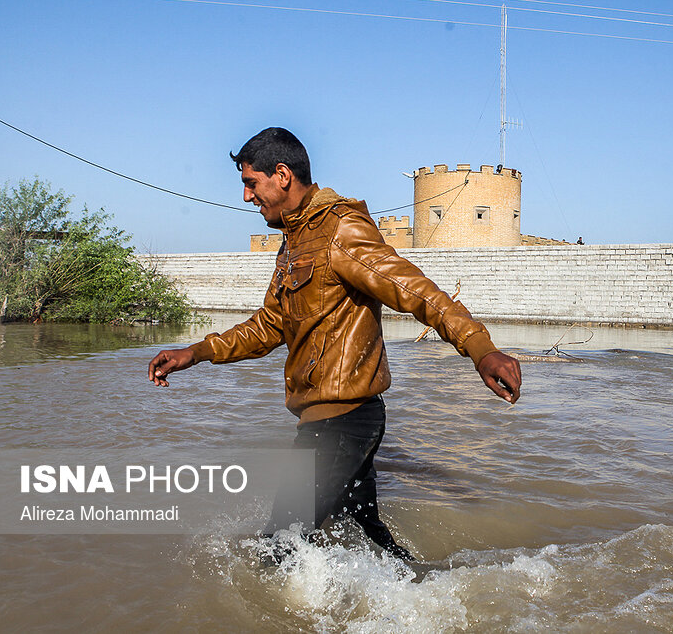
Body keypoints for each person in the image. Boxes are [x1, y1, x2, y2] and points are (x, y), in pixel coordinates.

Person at [147, 127, 521, 562]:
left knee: (279, 547)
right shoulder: (294, 239)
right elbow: (271, 323)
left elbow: (414, 290)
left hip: (342, 422)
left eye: (251, 183)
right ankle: (429, 595)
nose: (248, 197)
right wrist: (196, 352)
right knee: (366, 540)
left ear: (282, 175)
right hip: (336, 420)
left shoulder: (339, 230)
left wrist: (480, 348)